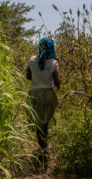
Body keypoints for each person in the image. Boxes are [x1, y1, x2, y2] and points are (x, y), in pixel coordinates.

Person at [26, 37, 60, 165]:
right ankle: (44, 151)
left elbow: (28, 77)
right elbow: (57, 82)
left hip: (34, 94)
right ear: (52, 47)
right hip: (48, 94)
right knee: (45, 123)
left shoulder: (32, 60)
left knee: (38, 123)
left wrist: (36, 74)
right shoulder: (53, 62)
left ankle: (42, 150)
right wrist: (57, 86)